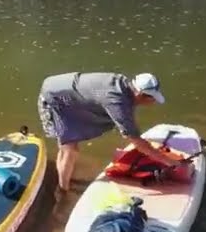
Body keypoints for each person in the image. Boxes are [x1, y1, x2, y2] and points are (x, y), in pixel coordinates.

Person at [37, 71, 176, 192]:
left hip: (68, 94)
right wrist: (168, 161)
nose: (153, 102)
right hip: (54, 99)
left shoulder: (122, 83)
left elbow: (127, 122)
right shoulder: (116, 101)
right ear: (140, 94)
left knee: (69, 146)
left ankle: (64, 179)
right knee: (70, 150)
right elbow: (135, 140)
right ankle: (63, 189)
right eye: (152, 97)